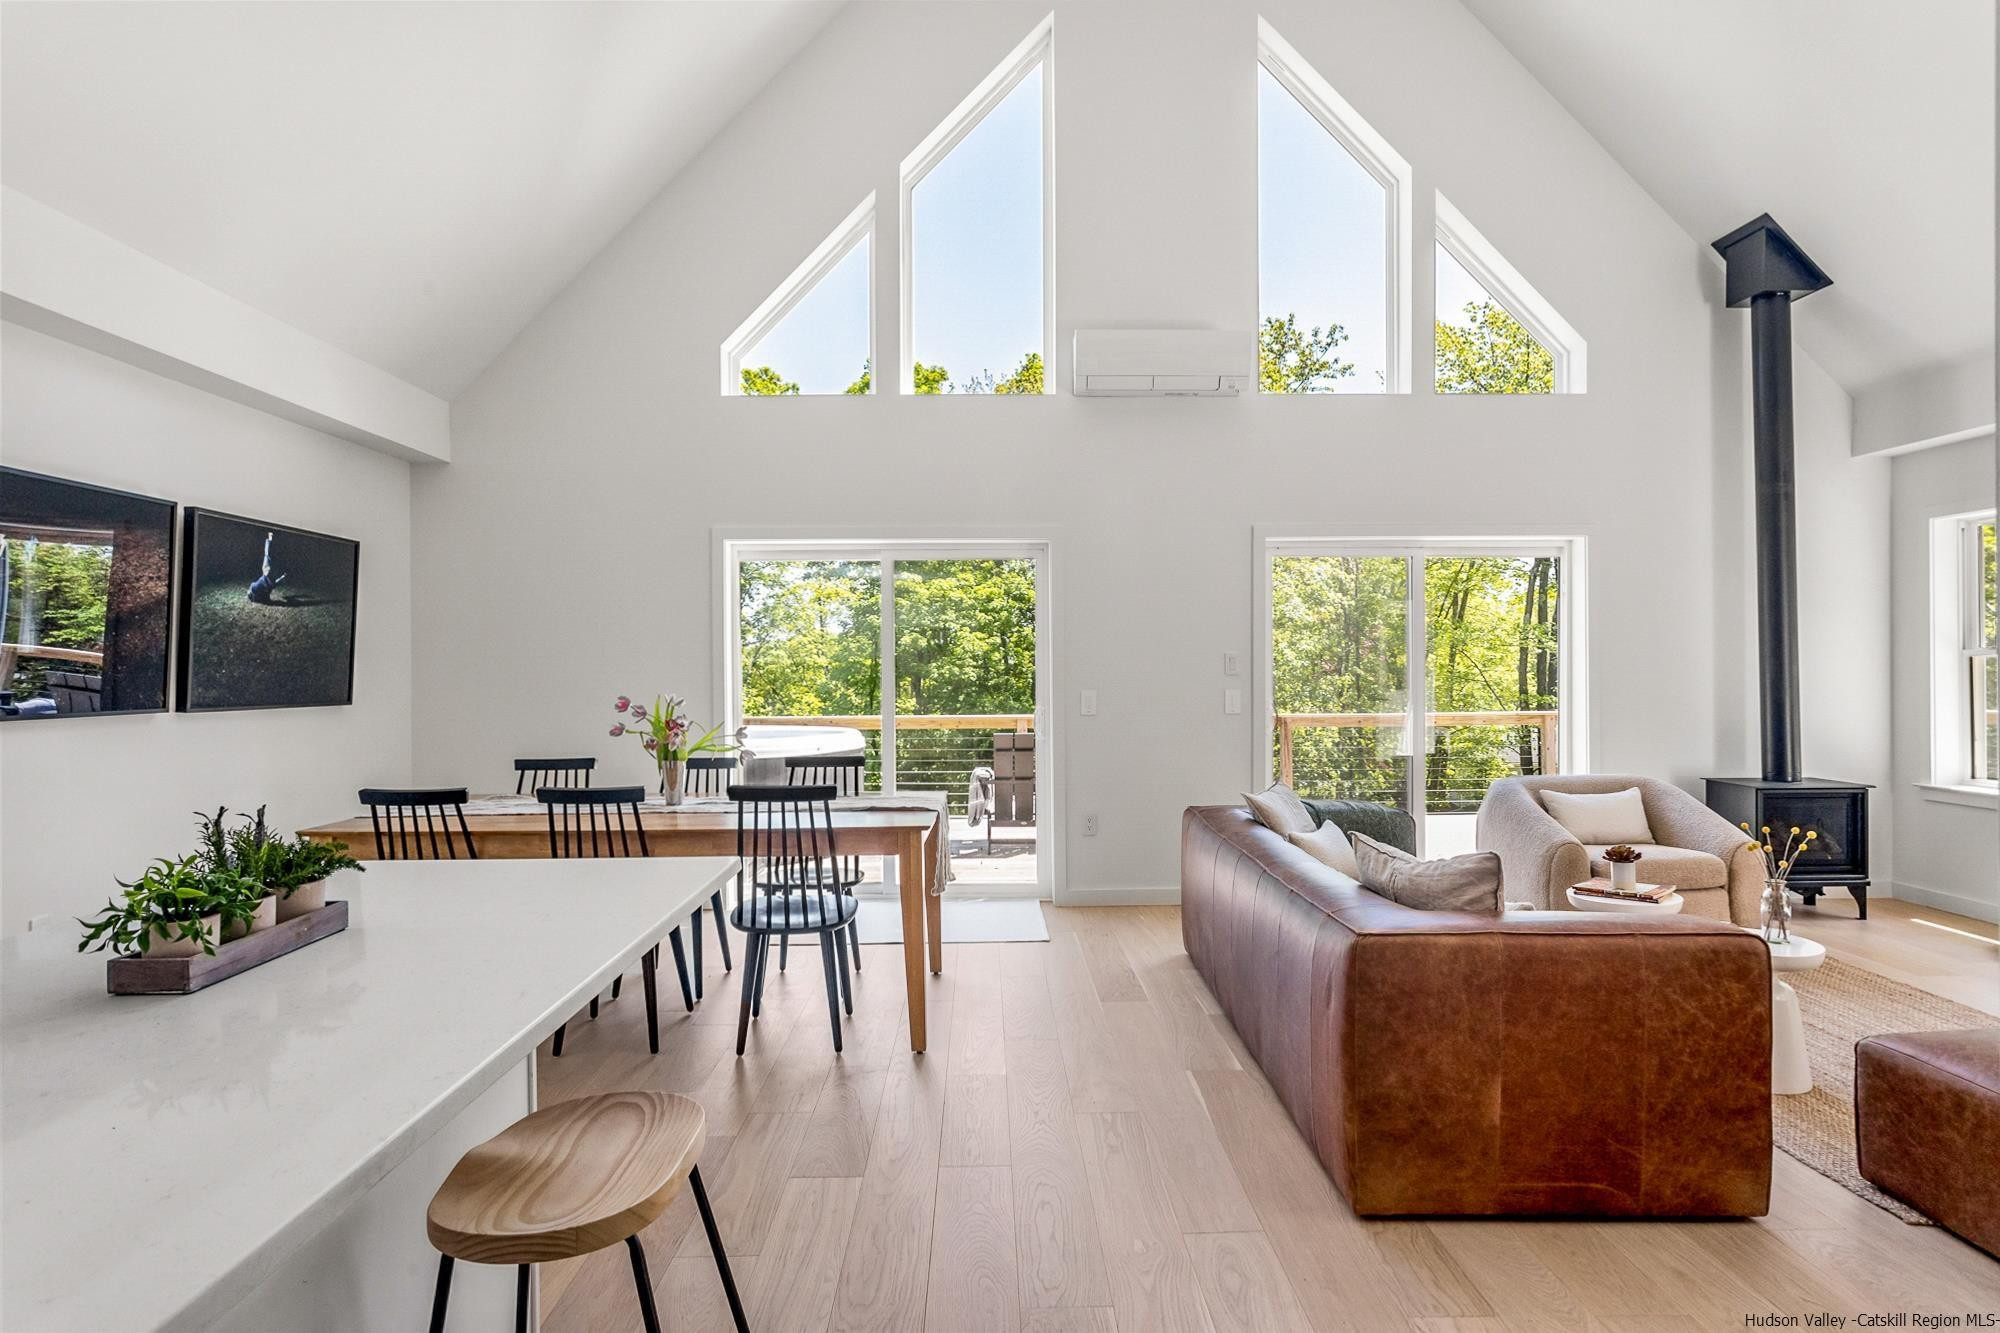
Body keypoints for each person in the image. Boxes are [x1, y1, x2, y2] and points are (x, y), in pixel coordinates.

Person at [246, 531, 286, 604]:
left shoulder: (264, 595)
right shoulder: (254, 588)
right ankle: (270, 539)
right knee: (267, 555)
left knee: (268, 556)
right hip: (266, 573)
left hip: (270, 577)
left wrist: (282, 577)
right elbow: (252, 585)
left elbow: (275, 584)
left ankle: (271, 540)